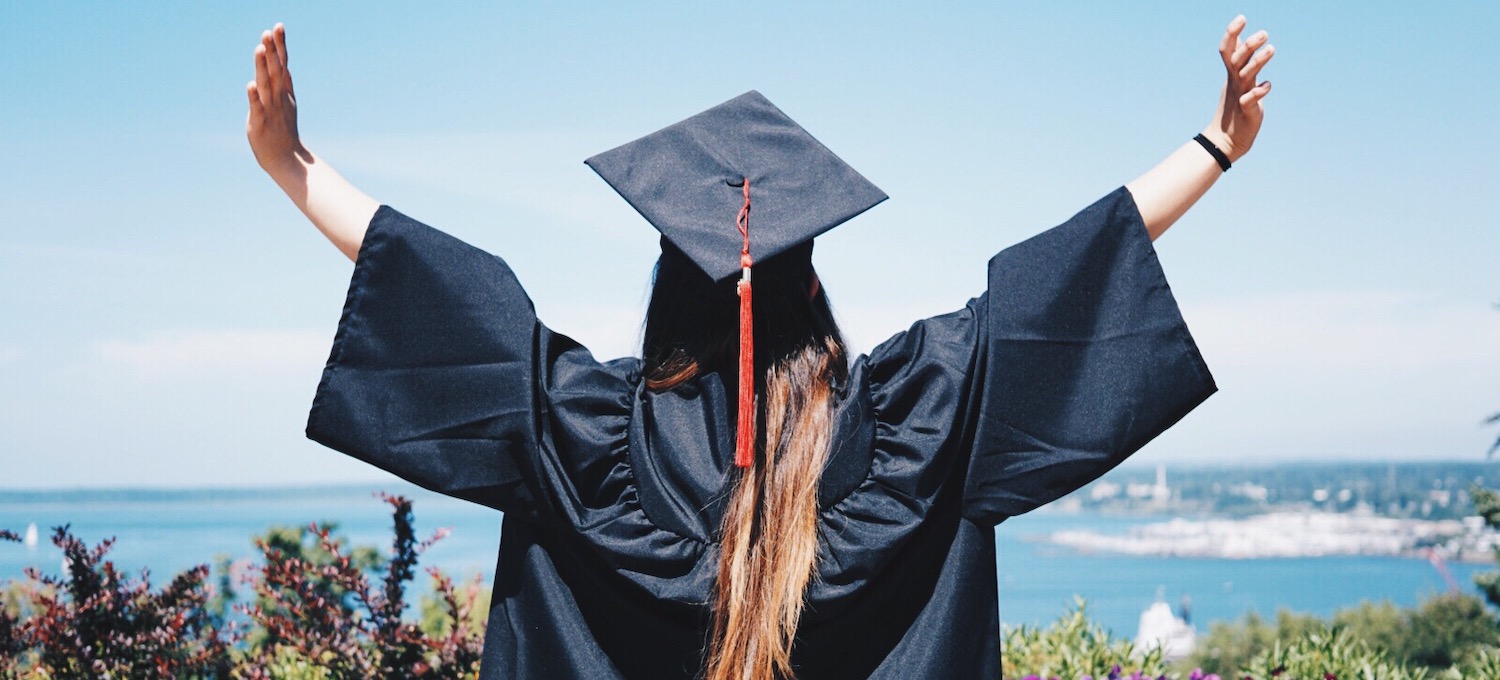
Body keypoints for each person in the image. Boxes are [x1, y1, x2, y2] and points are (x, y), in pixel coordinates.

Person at [247, 16, 1273, 680]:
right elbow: (1055, 287)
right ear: (813, 286)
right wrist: (1214, 147)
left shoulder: (582, 434)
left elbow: (453, 302)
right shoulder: (921, 419)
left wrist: (294, 166)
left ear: (666, 287)